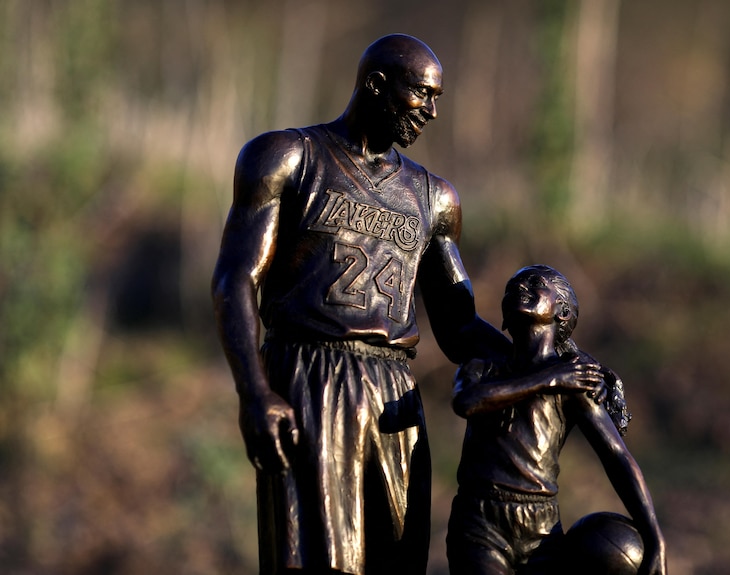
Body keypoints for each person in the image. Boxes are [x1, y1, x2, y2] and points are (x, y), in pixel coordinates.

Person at [211, 34, 512, 575]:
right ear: (377, 86)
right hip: (309, 375)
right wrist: (254, 392)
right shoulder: (287, 158)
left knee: (399, 560)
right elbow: (235, 279)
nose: (433, 111)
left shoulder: (433, 198)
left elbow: (459, 324)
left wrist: (555, 367)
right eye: (422, 94)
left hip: (394, 396)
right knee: (319, 559)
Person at [446, 265, 667, 575]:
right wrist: (551, 378)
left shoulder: (575, 383)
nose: (519, 288)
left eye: (535, 283)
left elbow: (617, 457)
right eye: (511, 287)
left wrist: (655, 538)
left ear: (562, 311)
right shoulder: (482, 368)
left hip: (541, 528)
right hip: (480, 520)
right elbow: (467, 401)